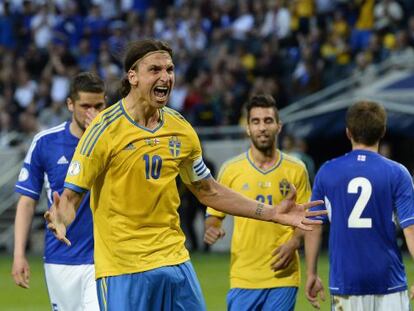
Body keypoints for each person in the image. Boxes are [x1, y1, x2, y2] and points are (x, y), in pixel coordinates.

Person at [44, 39, 325, 311]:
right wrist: (60, 217)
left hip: (175, 262)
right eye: (155, 70)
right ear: (133, 76)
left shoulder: (180, 129)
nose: (165, 77)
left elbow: (209, 191)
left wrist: (274, 213)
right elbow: (71, 197)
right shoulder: (103, 130)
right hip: (124, 269)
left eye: (169, 69)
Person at [204, 94, 311, 311]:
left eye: (268, 121)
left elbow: (306, 219)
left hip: (283, 275)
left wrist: (293, 243)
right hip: (244, 276)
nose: (262, 127)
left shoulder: (296, 169)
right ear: (248, 128)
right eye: (256, 121)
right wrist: (212, 228)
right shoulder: (230, 170)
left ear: (279, 127)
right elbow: (214, 214)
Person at [305, 101, 414, 311]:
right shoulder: (398, 173)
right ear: (383, 131)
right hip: (388, 280)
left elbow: (314, 225)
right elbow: (410, 228)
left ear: (348, 132)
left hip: (345, 280)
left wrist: (311, 273)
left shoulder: (327, 171)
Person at [12, 72, 106, 310]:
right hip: (61, 258)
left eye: (99, 106)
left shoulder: (114, 143)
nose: (92, 113)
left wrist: (101, 136)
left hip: (106, 258)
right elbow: (26, 202)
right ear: (70, 104)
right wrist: (18, 254)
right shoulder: (45, 142)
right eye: (85, 106)